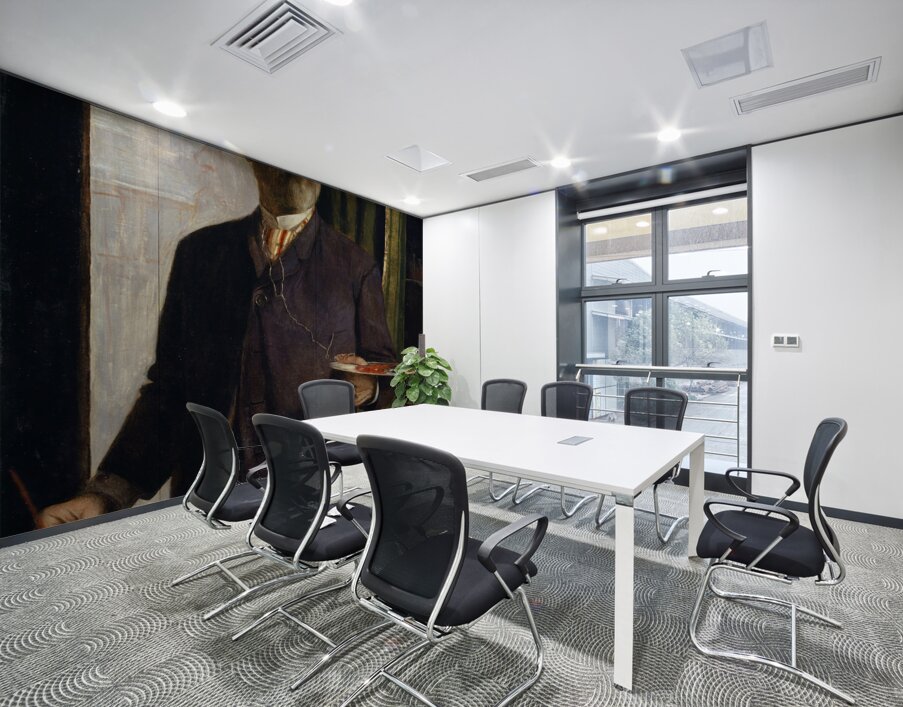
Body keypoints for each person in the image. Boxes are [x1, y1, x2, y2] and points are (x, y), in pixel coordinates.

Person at [36, 161, 396, 527]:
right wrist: (108, 493)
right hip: (206, 490)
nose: (294, 174)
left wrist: (369, 387)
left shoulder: (355, 264)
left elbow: (382, 369)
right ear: (255, 166)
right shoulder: (199, 253)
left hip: (304, 488)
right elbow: (170, 389)